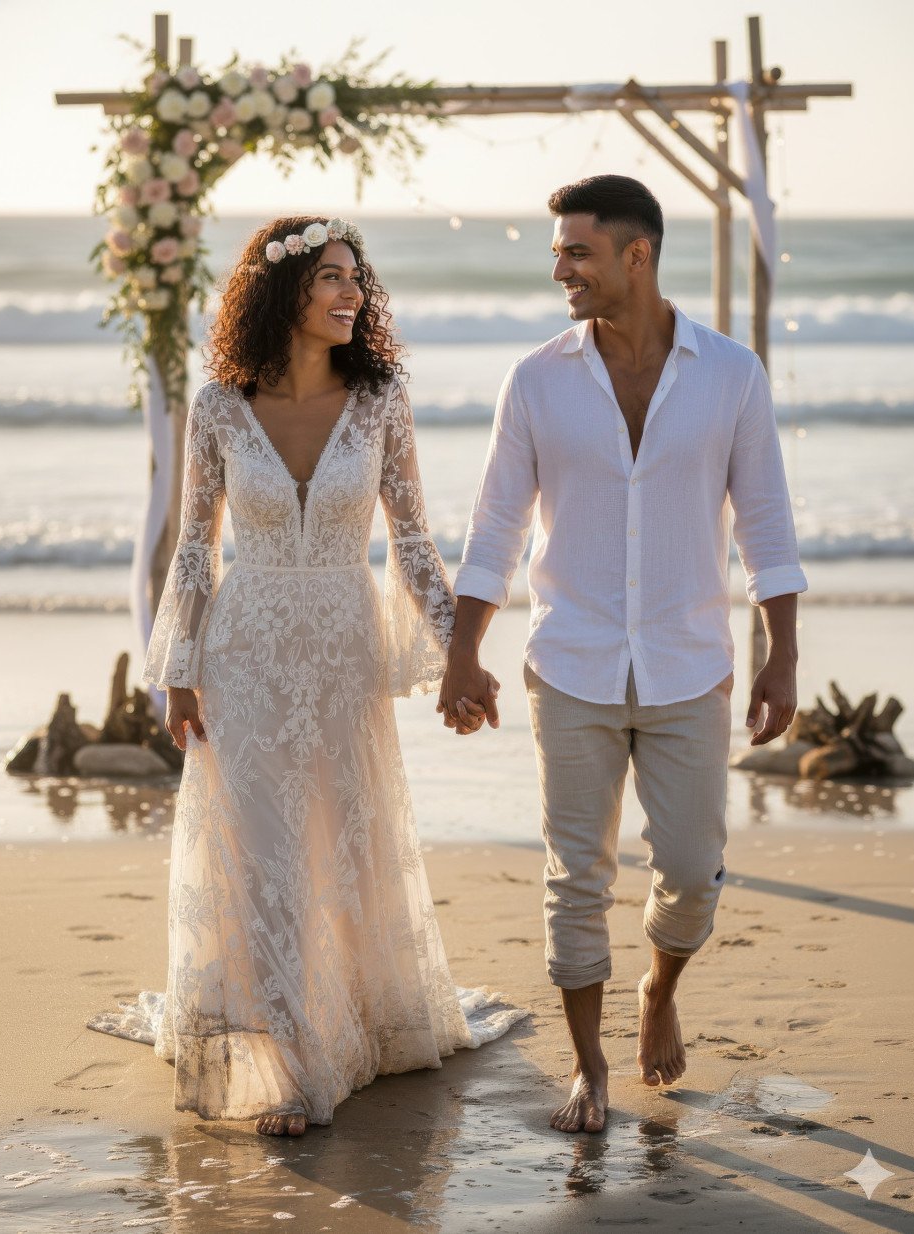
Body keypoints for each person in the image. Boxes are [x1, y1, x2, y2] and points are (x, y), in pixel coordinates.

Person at [128, 215, 519, 1138]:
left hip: (343, 649)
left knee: (341, 844)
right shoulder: (222, 404)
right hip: (245, 650)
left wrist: (460, 651)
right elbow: (193, 548)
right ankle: (297, 1067)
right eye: (331, 279)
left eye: (356, 279)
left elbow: (414, 544)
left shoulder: (380, 399)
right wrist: (181, 669)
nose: (351, 294)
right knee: (263, 854)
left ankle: (348, 1025)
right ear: (283, 292)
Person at [440, 176, 807, 1134]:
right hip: (570, 662)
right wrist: (463, 653)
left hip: (691, 663)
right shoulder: (536, 379)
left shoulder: (733, 374)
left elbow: (767, 524)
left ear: (635, 255)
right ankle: (589, 1067)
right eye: (559, 251)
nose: (558, 267)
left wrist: (781, 657)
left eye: (576, 252)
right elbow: (495, 529)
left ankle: (659, 988)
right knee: (577, 875)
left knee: (691, 868)